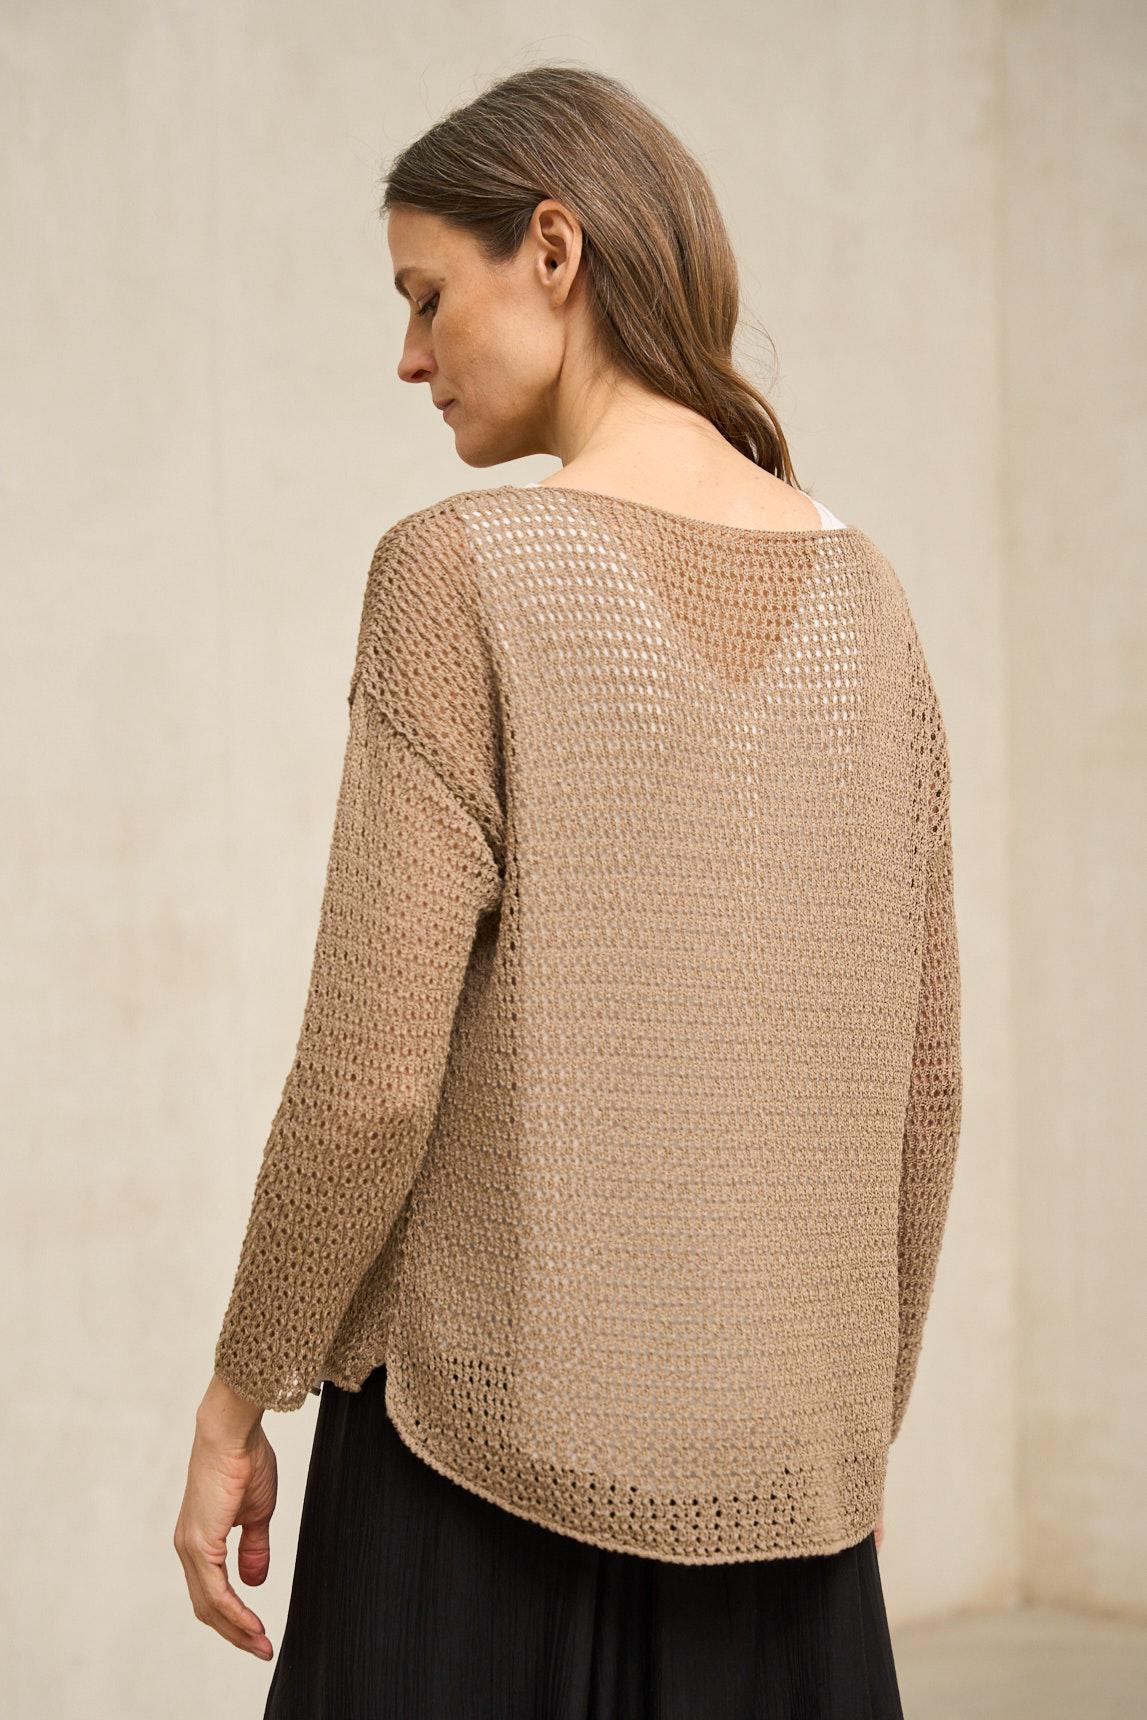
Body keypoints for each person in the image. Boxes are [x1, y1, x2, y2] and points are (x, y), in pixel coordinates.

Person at [174, 64, 962, 1719]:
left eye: (423, 295)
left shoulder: (458, 572)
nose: (409, 356)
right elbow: (921, 1094)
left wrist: (245, 1387)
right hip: (791, 1502)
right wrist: (846, 1438)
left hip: (474, 1475)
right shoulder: (874, 609)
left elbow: (370, 1081)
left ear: (553, 248)